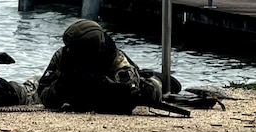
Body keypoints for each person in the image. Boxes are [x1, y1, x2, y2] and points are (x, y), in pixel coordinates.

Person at [36, 19, 179, 114]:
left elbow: (128, 101)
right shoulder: (63, 57)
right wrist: (62, 86)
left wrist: (102, 87)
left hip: (126, 83)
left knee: (151, 90)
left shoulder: (116, 60)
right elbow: (43, 94)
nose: (69, 52)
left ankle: (158, 78)